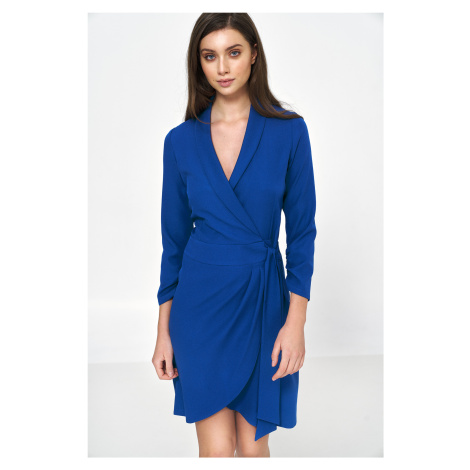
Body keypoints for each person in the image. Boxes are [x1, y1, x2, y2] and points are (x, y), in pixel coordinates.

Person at [152, 13, 317, 458]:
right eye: (210, 56)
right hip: (199, 308)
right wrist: (163, 331)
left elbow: (302, 235)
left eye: (234, 52)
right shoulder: (180, 141)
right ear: (199, 63)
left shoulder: (289, 131)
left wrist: (296, 322)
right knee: (217, 452)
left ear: (254, 55)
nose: (222, 67)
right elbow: (174, 245)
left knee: (253, 447)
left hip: (264, 304)